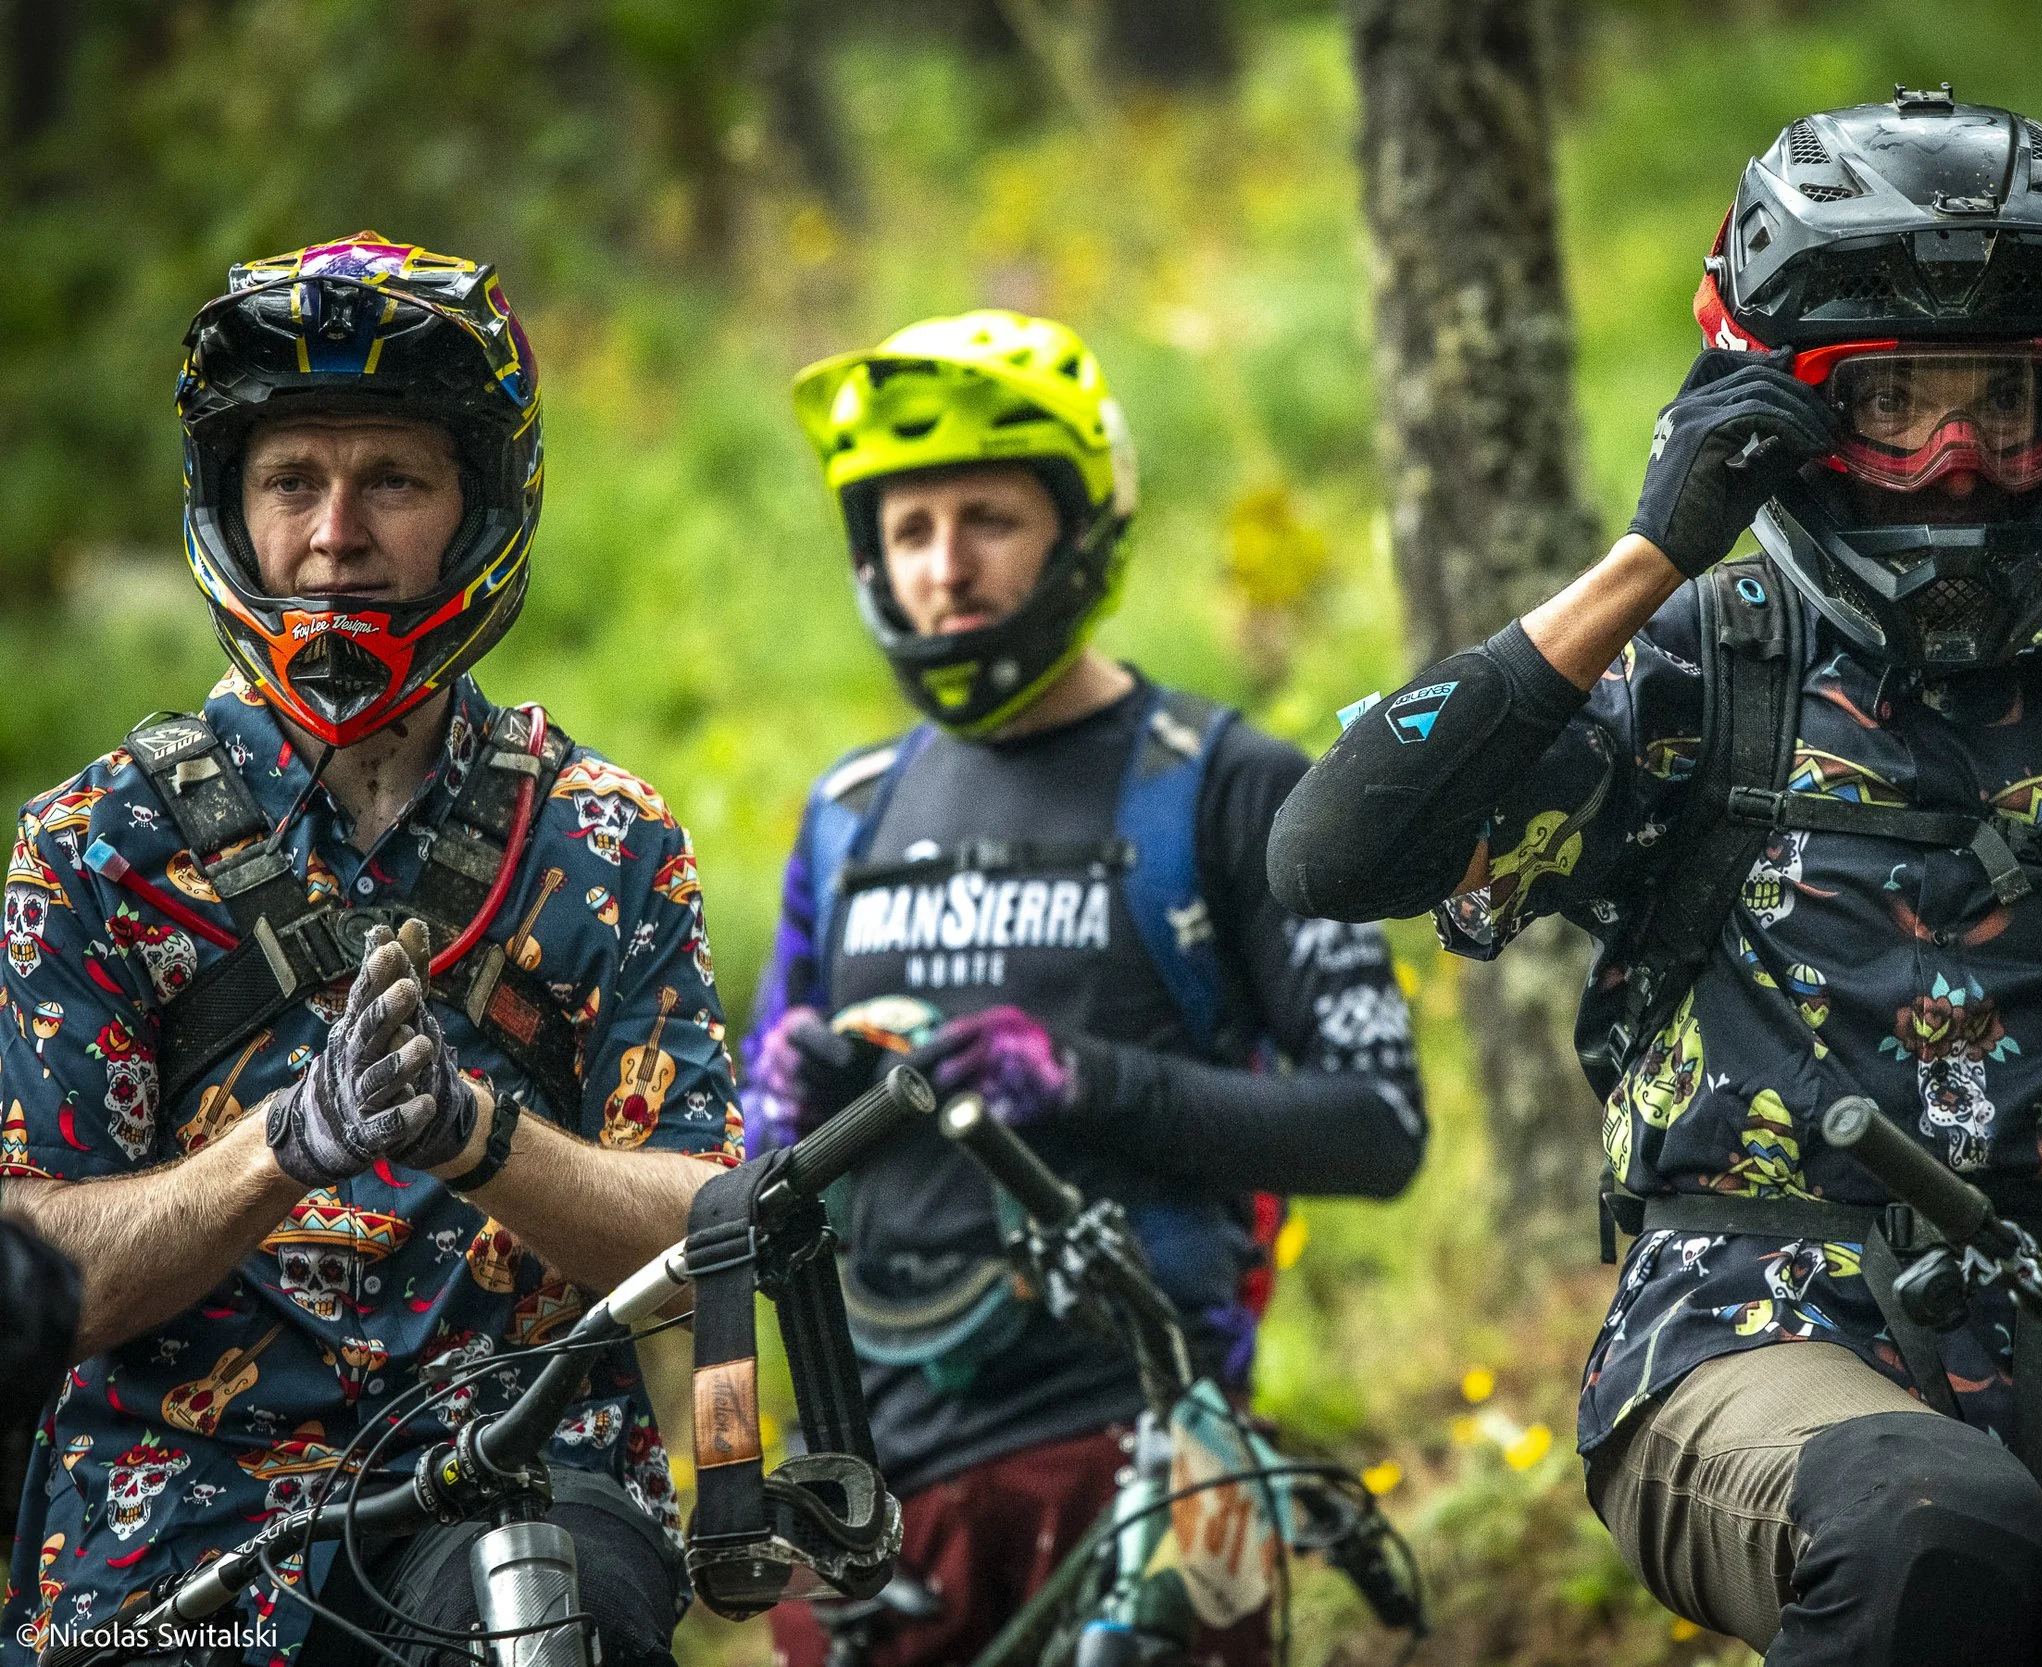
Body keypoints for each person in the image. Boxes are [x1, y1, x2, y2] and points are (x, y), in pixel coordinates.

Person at [1270, 89, 2042, 1666]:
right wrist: (1653, 555)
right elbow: (1331, 848)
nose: (1958, 463)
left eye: (2010, 403)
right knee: (1937, 1528)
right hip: (1737, 1337)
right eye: (1893, 403)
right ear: (1780, 420)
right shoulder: (1682, 687)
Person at [0, 234, 741, 1667]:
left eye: (390, 479)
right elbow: (36, 1270)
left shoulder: (607, 839)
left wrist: (479, 1137)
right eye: (292, 481)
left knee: (549, 1614)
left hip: (514, 1484)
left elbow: (705, 1231)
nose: (335, 532)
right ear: (233, 506)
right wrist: (288, 1142)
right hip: (174, 1521)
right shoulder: (93, 845)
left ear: (479, 508)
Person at [751, 310, 1427, 1667]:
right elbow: (753, 1174)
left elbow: (1379, 1129)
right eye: (909, 527)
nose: (948, 566)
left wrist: (1086, 1080)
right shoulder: (847, 816)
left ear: (1078, 528)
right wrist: (782, 1114)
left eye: (988, 516)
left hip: (1143, 1477)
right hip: (879, 1497)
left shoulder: (1231, 784)